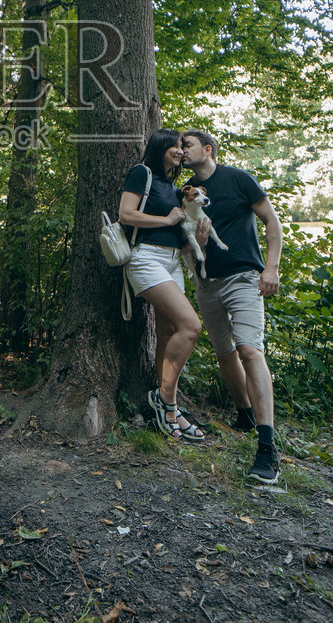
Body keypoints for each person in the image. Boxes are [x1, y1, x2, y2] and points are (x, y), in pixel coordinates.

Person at [181, 130, 284, 483]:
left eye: (187, 144)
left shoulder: (238, 179)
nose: (182, 150)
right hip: (206, 283)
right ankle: (244, 413)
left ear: (207, 149)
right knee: (225, 353)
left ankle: (267, 446)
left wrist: (270, 268)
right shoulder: (186, 193)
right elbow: (183, 240)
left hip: (243, 278)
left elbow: (272, 221)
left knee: (250, 351)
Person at [118, 128, 205, 442]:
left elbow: (179, 230)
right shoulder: (143, 174)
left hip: (172, 260)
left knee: (168, 333)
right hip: (146, 259)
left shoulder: (174, 186)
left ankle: (169, 407)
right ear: (160, 147)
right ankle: (165, 400)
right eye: (175, 146)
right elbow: (126, 214)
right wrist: (166, 220)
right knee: (191, 326)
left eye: (182, 146)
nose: (181, 151)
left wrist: (192, 240)